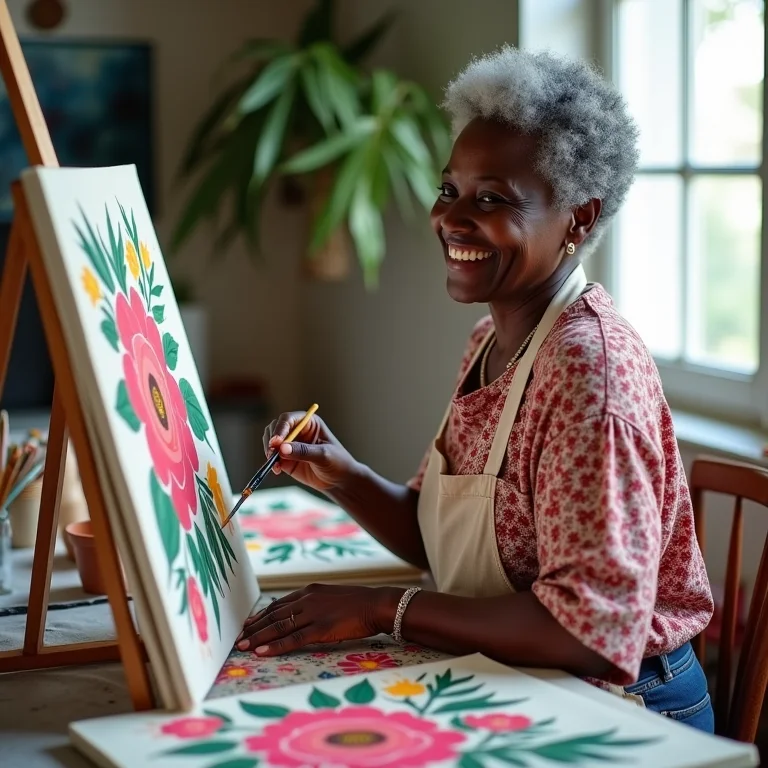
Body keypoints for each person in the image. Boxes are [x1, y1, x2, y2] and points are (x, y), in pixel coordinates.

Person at [236, 45, 715, 732]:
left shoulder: (588, 375)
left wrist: (382, 609)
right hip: (527, 673)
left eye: (492, 199)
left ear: (579, 219)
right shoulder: (493, 343)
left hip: (630, 705)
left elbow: (588, 633)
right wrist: (343, 475)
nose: (451, 220)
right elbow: (449, 547)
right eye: (449, 190)